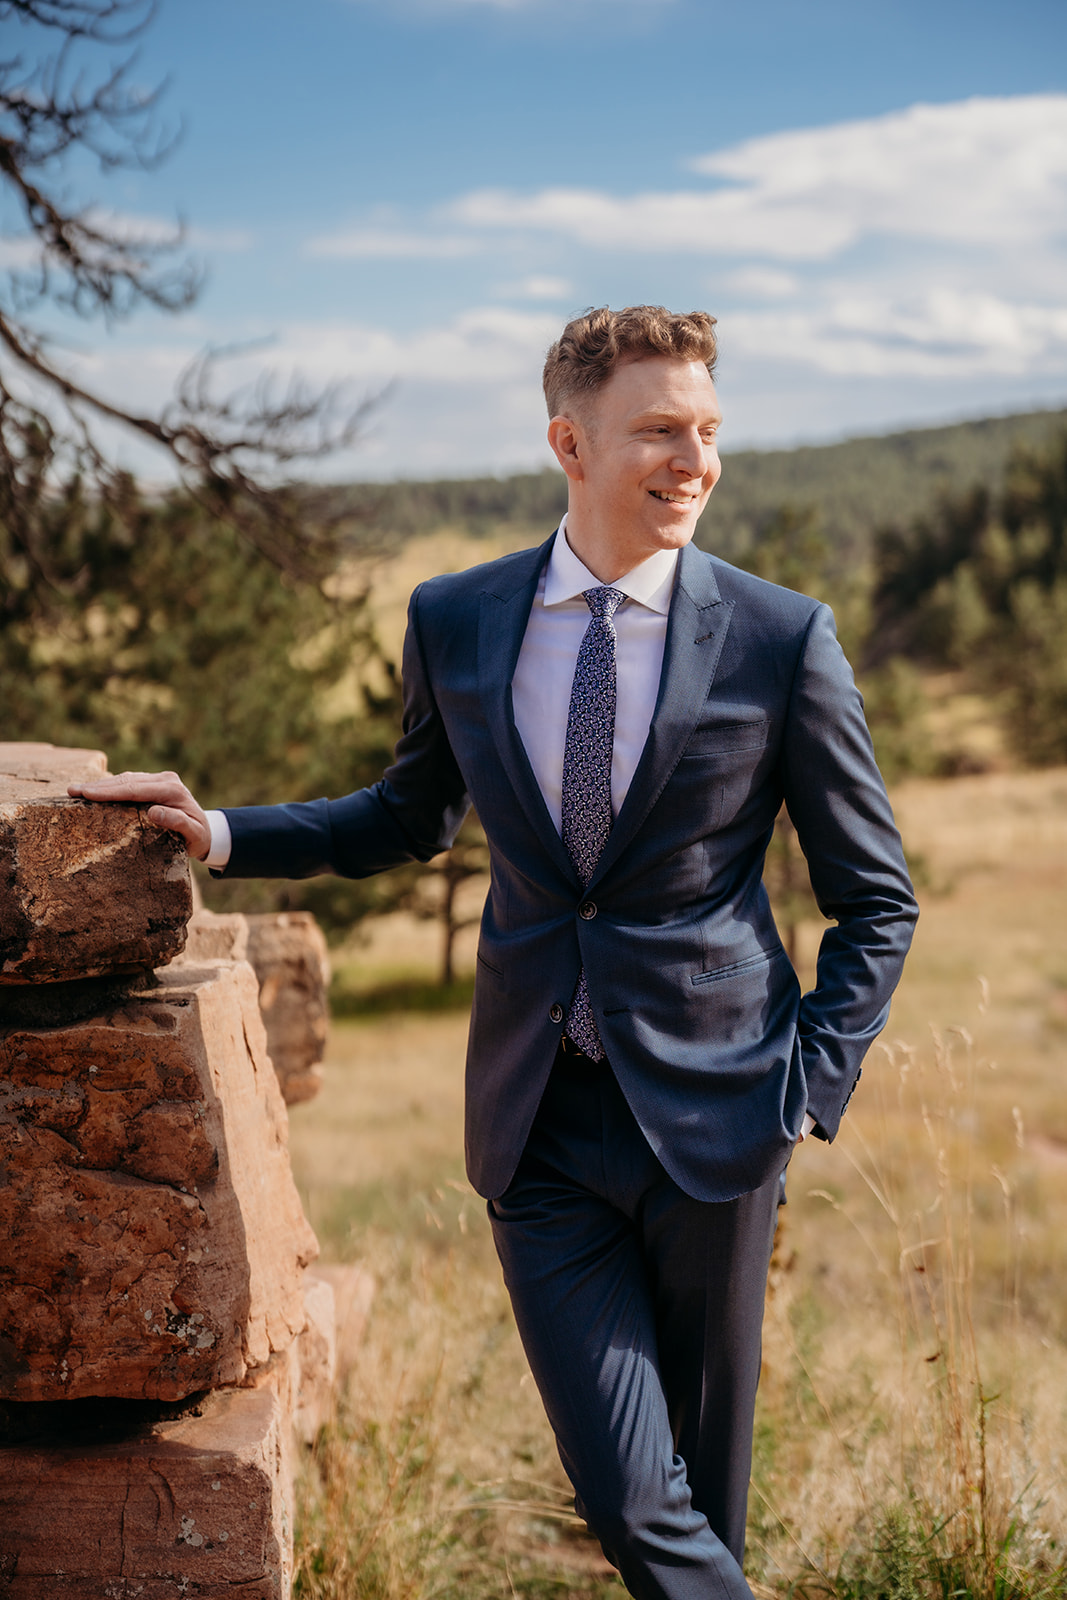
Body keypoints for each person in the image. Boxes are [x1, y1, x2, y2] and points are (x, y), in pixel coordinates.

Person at [71, 305, 918, 1600]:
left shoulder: (778, 637)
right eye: (659, 431)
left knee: (704, 1514)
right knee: (637, 1505)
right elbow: (406, 813)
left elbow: (877, 900)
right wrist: (226, 831)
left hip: (720, 1124)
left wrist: (805, 1088)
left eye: (709, 432)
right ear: (567, 442)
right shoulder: (459, 619)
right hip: (538, 1130)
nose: (694, 460)